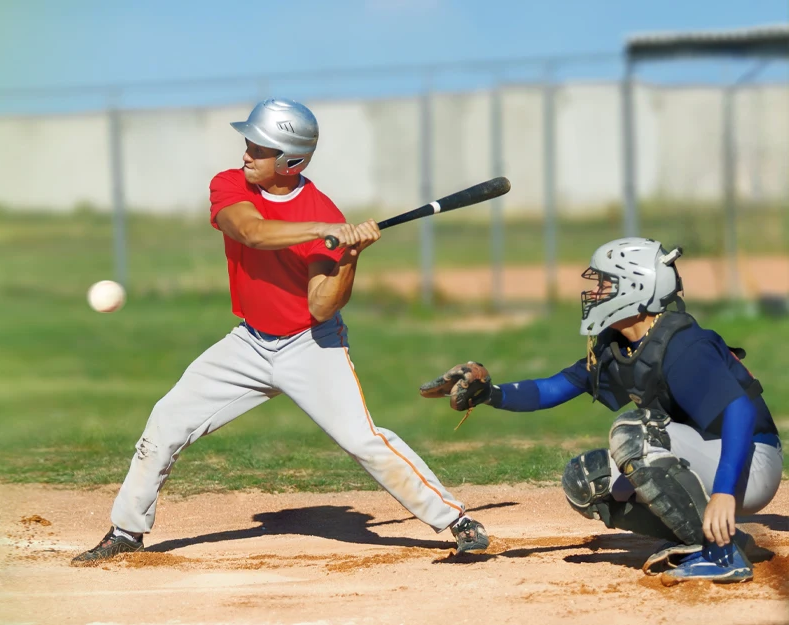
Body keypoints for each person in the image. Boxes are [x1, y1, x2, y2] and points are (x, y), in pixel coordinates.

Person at [72, 98, 490, 564]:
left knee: (362, 439)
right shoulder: (232, 184)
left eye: (260, 148)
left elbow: (321, 305)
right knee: (166, 421)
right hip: (249, 342)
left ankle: (456, 520)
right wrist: (321, 230)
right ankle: (126, 531)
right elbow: (250, 231)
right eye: (249, 143)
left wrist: (349, 255)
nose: (247, 153)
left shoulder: (321, 209)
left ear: (292, 162)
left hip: (310, 345)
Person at [419, 237, 782, 585]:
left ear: (636, 287)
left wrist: (723, 492)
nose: (594, 293)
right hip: (706, 456)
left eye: (605, 284)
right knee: (587, 480)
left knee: (633, 433)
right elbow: (553, 388)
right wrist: (489, 394)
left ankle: (722, 554)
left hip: (748, 462)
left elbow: (739, 412)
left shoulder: (683, 345)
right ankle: (712, 536)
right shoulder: (621, 346)